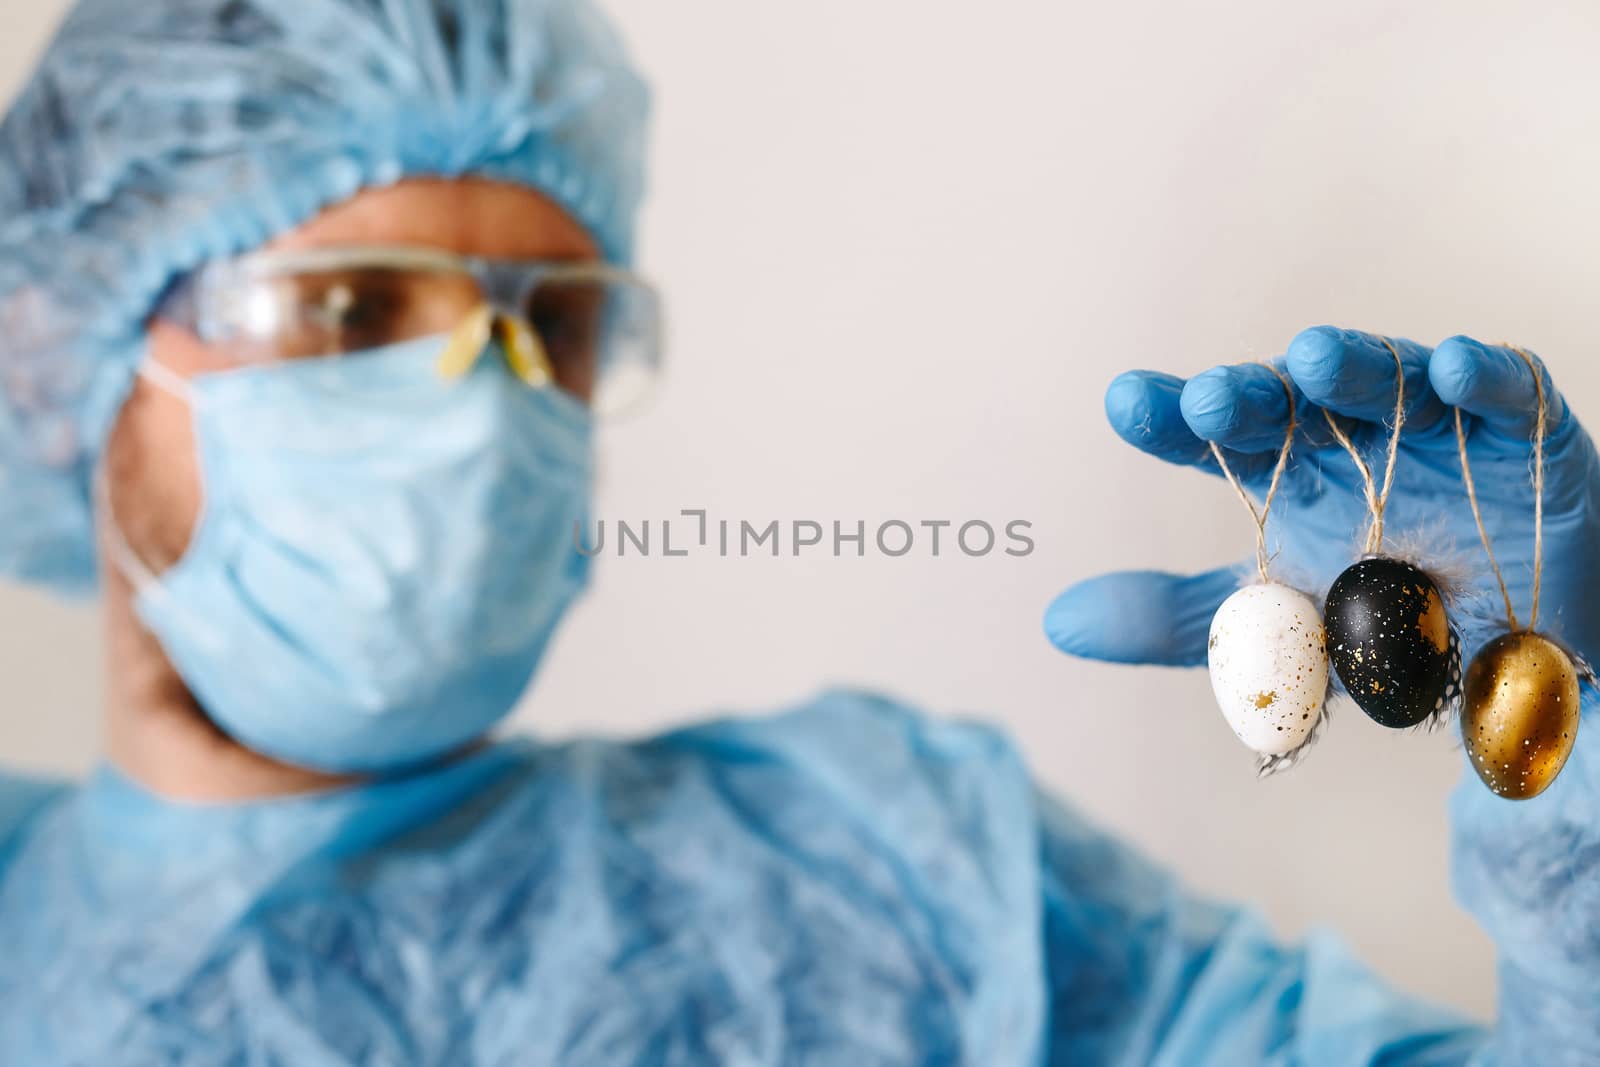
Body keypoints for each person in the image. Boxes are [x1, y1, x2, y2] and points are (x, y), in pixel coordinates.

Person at [0, 1, 1593, 1064]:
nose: (479, 411)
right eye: (349, 308)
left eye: (544, 326)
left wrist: (1570, 735)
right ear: (63, 375)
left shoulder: (895, 873)